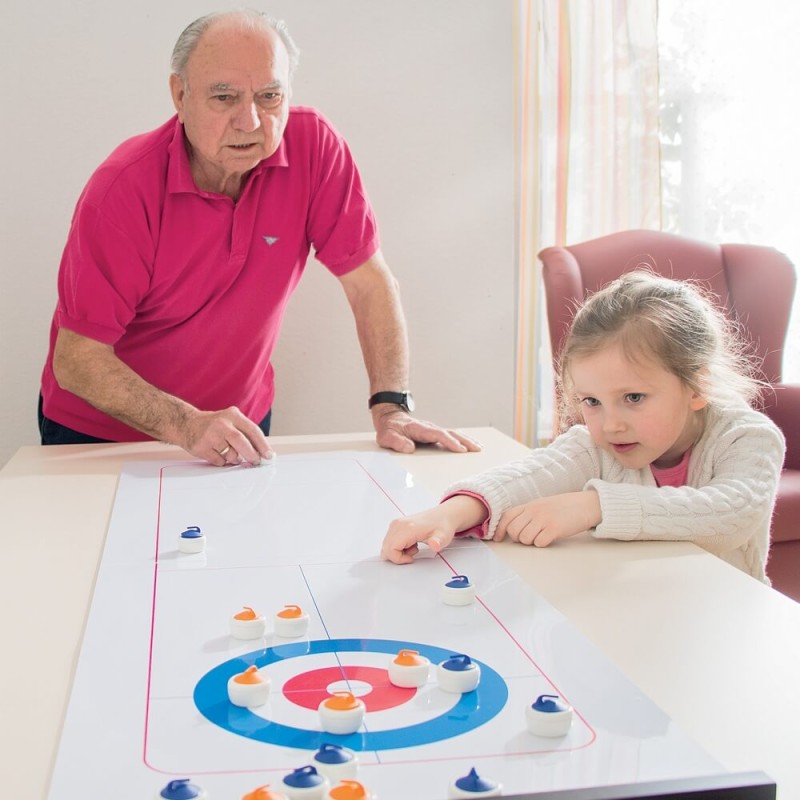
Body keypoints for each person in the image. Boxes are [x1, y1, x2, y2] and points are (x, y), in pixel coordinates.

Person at [38, 9, 480, 466]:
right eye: (224, 97)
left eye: (269, 96)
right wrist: (186, 424)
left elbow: (370, 284)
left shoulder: (315, 148)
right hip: (102, 435)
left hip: (236, 428)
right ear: (179, 95)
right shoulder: (122, 189)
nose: (249, 121)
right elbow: (78, 359)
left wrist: (392, 408)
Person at [381, 271, 786, 583]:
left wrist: (594, 506)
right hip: (648, 612)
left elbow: (732, 513)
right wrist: (448, 514)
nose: (610, 425)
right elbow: (531, 475)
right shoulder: (600, 444)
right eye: (591, 402)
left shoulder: (748, 437)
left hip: (728, 622)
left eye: (633, 398)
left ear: (698, 386)